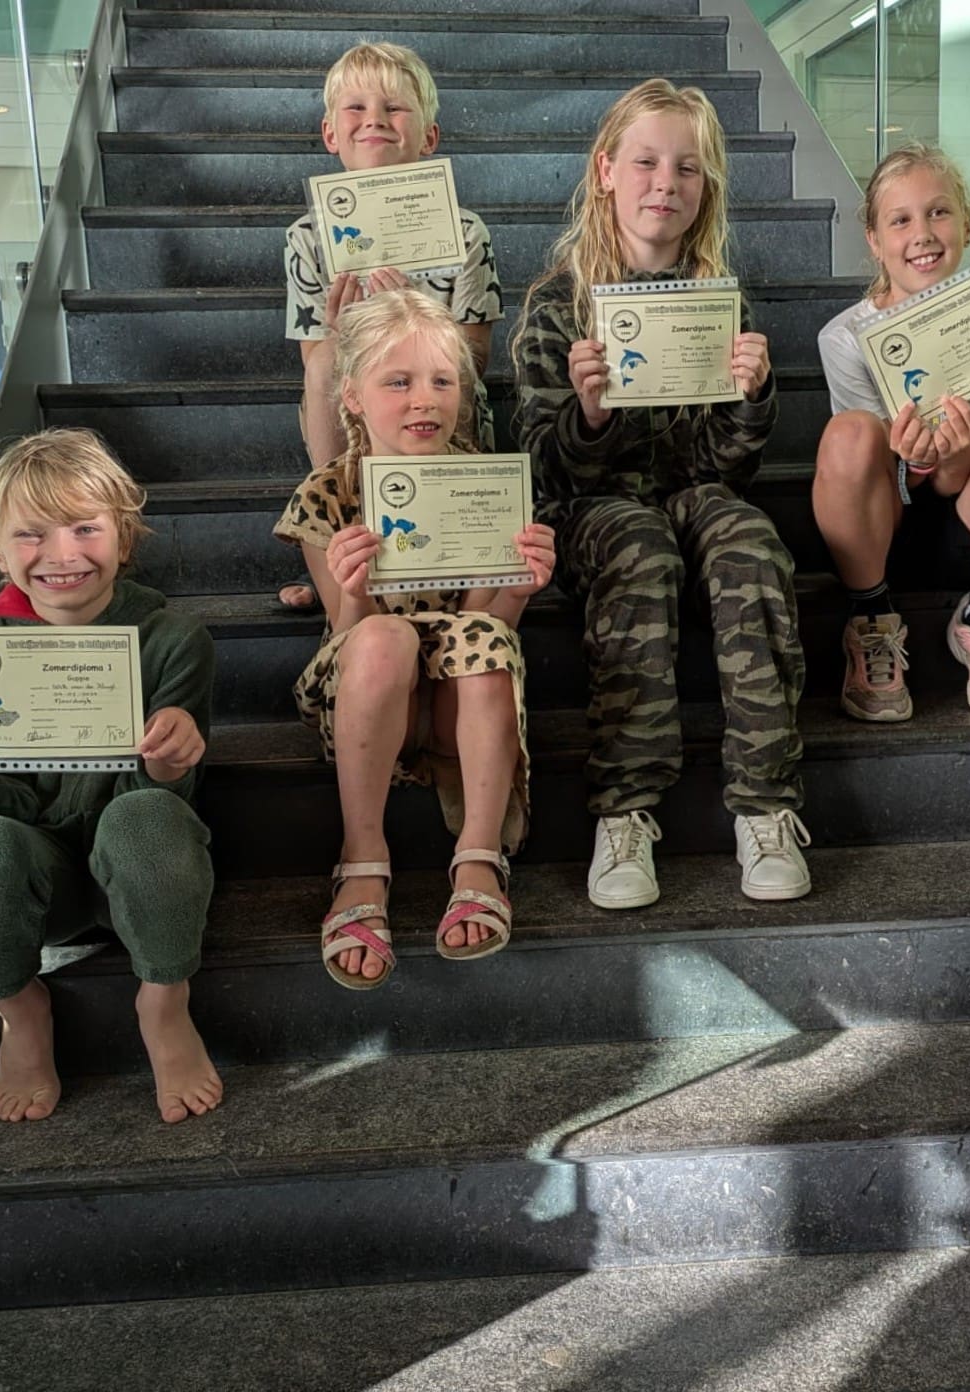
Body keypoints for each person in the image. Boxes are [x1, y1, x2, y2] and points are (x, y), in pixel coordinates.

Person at [512, 78, 810, 911]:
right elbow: (541, 470)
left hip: (691, 492)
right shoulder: (555, 307)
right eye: (645, 162)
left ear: (705, 188)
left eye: (686, 168)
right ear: (605, 171)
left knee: (748, 538)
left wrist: (752, 397)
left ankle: (766, 805)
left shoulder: (720, 300)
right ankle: (625, 810)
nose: (664, 184)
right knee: (639, 545)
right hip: (591, 510)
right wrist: (589, 416)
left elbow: (724, 469)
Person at [0, 429, 221, 1124]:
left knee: (148, 818)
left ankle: (164, 1001)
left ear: (124, 536)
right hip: (37, 882)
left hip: (142, 878)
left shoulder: (174, 640)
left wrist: (168, 765)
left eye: (85, 528)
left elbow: (163, 806)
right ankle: (19, 1009)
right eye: (31, 534)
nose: (61, 555)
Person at [275, 289, 554, 986]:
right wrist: (354, 588)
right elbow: (345, 634)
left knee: (482, 637)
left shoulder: (487, 484)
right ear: (353, 396)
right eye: (398, 382)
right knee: (383, 638)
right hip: (370, 692)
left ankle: (479, 854)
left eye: (442, 381)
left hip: (461, 696)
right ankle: (362, 858)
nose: (424, 400)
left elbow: (489, 627)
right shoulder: (327, 495)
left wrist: (517, 585)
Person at [814, 142, 970, 723]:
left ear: (966, 224)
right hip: (879, 529)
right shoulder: (844, 338)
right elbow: (874, 470)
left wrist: (945, 461)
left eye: (939, 212)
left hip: (969, 527)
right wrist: (916, 462)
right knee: (850, 433)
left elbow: (956, 483)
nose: (923, 234)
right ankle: (871, 618)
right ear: (875, 241)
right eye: (900, 220)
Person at [279, 40, 503, 610]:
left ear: (428, 137)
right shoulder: (308, 238)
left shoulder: (466, 232)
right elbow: (316, 367)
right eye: (355, 108)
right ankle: (339, 557)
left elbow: (476, 360)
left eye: (395, 108)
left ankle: (450, 553)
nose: (375, 119)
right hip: (361, 414)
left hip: (443, 404)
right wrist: (343, 334)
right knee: (326, 366)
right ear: (331, 134)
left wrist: (422, 325)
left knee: (441, 379)